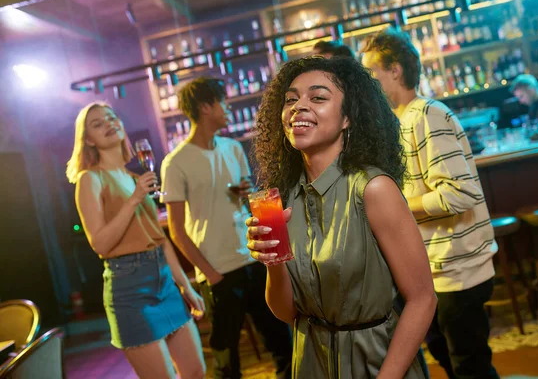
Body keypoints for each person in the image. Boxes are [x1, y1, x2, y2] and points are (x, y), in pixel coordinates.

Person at [246, 56, 436, 378]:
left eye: (317, 98)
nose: (298, 107)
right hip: (311, 363)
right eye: (291, 99)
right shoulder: (284, 199)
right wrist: (273, 262)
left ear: (348, 117)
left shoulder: (373, 190)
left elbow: (422, 300)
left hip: (376, 361)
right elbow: (286, 312)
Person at [362, 28, 500, 379]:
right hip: (438, 269)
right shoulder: (404, 121)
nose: (368, 82)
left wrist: (399, 207)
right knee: (453, 360)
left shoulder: (427, 115)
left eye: (371, 73)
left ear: (395, 70)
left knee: (470, 366)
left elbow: (460, 192)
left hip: (458, 269)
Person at [160, 78, 293, 379]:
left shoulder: (232, 148)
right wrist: (211, 274)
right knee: (226, 364)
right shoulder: (175, 163)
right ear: (206, 107)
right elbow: (177, 230)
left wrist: (247, 193)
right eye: (222, 101)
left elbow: (252, 205)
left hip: (253, 260)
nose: (228, 107)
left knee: (283, 346)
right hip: (219, 271)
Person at [66, 102, 206, 379]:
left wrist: (185, 287)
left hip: (164, 281)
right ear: (88, 140)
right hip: (129, 288)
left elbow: (160, 240)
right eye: (97, 124)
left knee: (196, 372)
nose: (108, 123)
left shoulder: (132, 177)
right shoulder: (89, 179)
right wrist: (135, 199)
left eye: (111, 117)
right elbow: (100, 244)